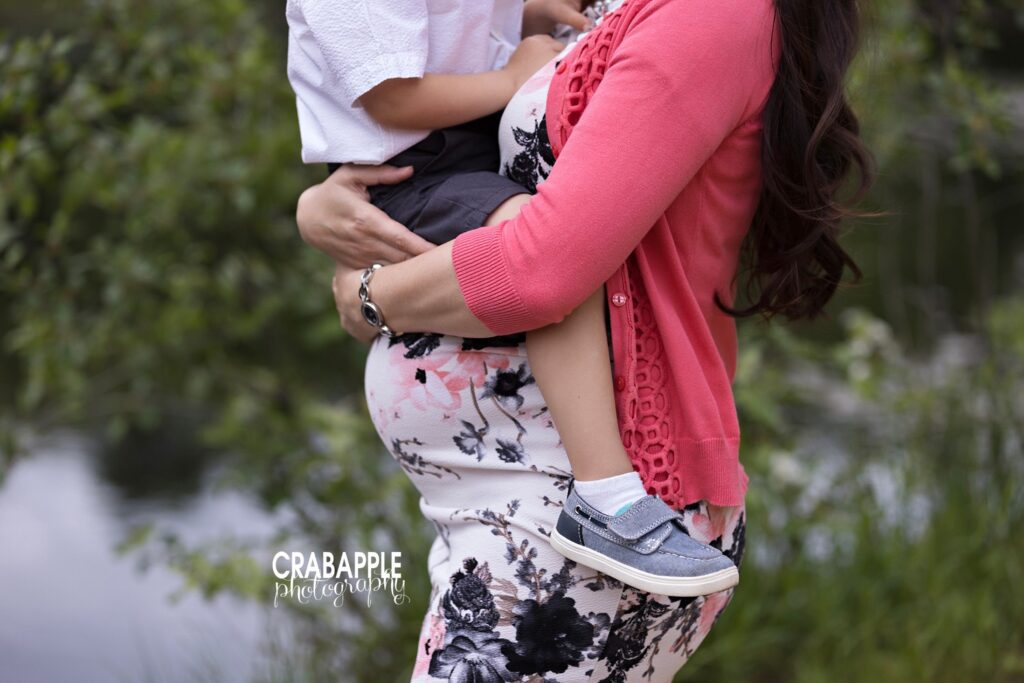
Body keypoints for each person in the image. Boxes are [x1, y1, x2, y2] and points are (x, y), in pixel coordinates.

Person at [296, 0, 875, 679]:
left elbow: (542, 268)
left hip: (576, 526)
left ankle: (609, 500)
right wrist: (325, 204)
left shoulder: (715, 13)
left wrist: (368, 295)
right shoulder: (610, 5)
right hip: (508, 516)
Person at [284, 0, 739, 599]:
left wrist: (523, 15)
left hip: (455, 146)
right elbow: (389, 95)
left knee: (551, 243)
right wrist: (508, 77)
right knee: (538, 242)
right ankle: (604, 497)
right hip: (410, 166)